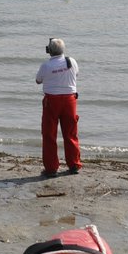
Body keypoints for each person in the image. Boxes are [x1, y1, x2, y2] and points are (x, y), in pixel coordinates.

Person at [35, 37, 81, 177]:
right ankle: (74, 165)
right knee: (70, 133)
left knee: (49, 134)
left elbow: (38, 80)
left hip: (52, 101)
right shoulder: (71, 61)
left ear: (49, 51)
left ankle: (51, 168)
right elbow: (76, 74)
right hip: (70, 100)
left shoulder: (46, 66)